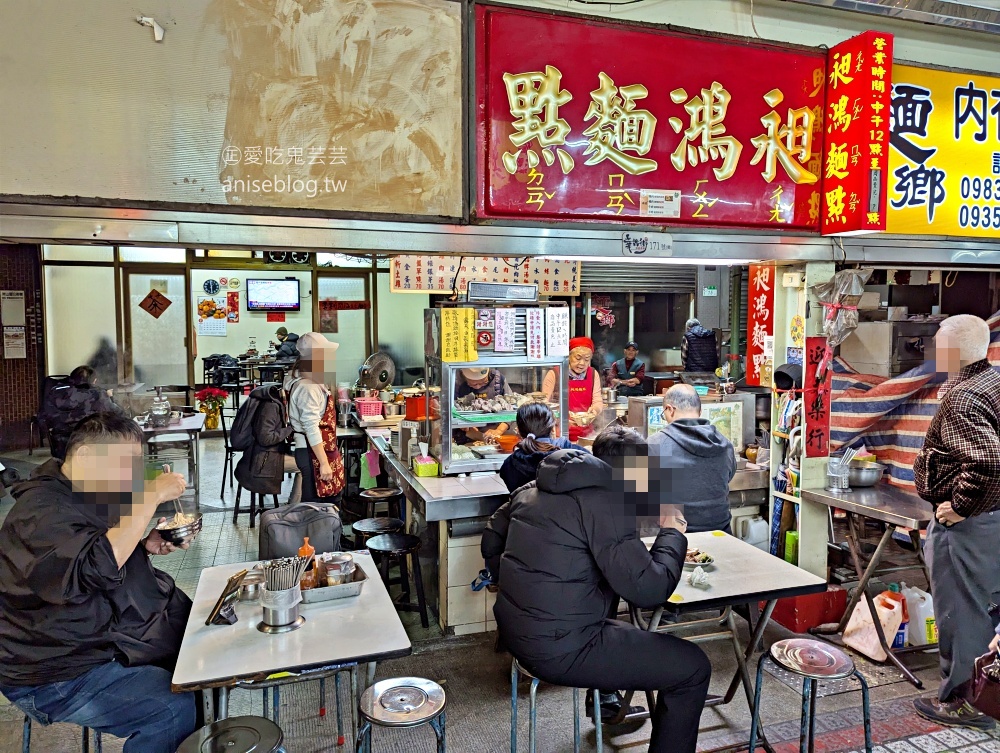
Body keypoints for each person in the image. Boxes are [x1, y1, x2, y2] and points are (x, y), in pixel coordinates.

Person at [483, 426, 710, 753]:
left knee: (623, 627)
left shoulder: (533, 488)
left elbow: (491, 536)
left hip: (513, 630)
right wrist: (672, 532)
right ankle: (607, 695)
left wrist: (507, 581)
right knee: (693, 668)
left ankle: (605, 695)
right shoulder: (608, 504)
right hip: (561, 647)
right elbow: (650, 590)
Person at [0, 413, 197, 753]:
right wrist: (148, 498)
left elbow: (99, 547)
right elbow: (83, 572)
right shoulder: (40, 511)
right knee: (169, 708)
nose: (133, 475)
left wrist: (142, 543)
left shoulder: (87, 492)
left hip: (96, 638)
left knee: (198, 661)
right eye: (126, 463)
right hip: (53, 668)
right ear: (88, 456)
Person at [912, 315, 1000, 730]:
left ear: (956, 348)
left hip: (971, 526)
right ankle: (989, 691)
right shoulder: (993, 381)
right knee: (988, 608)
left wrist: (961, 506)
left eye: (938, 342)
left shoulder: (963, 396)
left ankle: (966, 702)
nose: (932, 350)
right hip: (993, 520)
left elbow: (989, 459)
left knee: (963, 612)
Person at [648, 384, 736, 534]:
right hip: (722, 535)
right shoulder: (725, 444)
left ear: (670, 409)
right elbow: (728, 476)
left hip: (676, 541)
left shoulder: (653, 444)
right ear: (700, 411)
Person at [285, 332, 345, 503]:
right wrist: (324, 463)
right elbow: (310, 427)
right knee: (316, 507)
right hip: (312, 453)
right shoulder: (307, 387)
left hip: (320, 451)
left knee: (329, 500)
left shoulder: (311, 382)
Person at [39, 365, 124, 460]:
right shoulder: (97, 394)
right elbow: (118, 413)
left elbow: (43, 417)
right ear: (94, 381)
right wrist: (109, 397)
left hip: (60, 446)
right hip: (90, 444)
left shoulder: (54, 391)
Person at [498, 402, 583, 493]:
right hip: (570, 507)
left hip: (527, 507)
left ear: (518, 430)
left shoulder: (509, 465)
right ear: (552, 428)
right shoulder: (577, 455)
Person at [542, 337, 605, 442]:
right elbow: (543, 405)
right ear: (569, 356)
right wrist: (561, 418)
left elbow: (598, 401)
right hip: (559, 434)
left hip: (585, 435)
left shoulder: (593, 374)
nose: (582, 363)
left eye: (586, 359)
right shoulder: (555, 374)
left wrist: (594, 412)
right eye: (578, 358)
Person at [453, 367, 514, 442]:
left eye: (484, 382)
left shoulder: (498, 380)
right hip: (467, 436)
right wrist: (462, 423)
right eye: (473, 384)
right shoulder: (456, 382)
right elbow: (451, 409)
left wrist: (499, 430)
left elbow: (512, 409)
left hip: (497, 434)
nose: (478, 386)